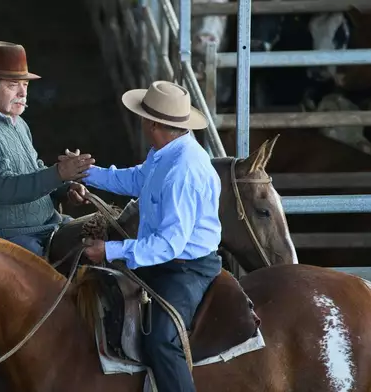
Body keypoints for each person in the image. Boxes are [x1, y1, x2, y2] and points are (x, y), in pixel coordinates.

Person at [68, 80, 222, 392]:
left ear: (152, 123)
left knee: (161, 340)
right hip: (168, 258)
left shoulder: (183, 171)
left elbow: (168, 245)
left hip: (186, 267)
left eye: (142, 116)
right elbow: (138, 179)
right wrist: (86, 172)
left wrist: (110, 250)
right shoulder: (166, 153)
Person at [0, 41, 95, 257]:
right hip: (6, 235)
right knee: (48, 285)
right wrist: (58, 173)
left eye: (25, 85)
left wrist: (65, 188)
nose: (22, 92)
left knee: (98, 243)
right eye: (13, 85)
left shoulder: (17, 123)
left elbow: (33, 170)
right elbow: (3, 188)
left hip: (45, 225)